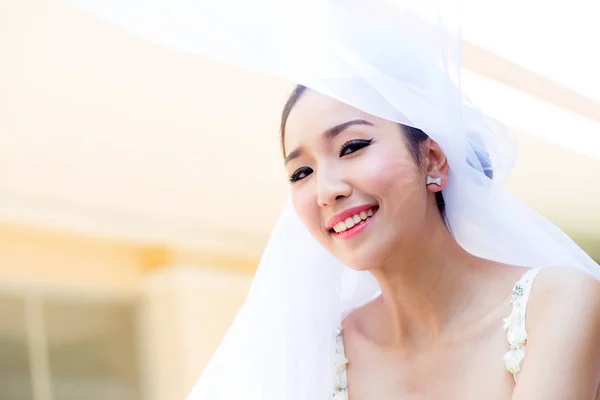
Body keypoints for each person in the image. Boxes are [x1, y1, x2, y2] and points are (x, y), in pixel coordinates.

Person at [69, 0, 600, 398]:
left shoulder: (557, 304)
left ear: (434, 160)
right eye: (300, 171)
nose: (327, 188)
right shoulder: (320, 351)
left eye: (353, 146)